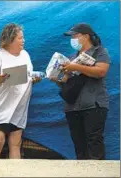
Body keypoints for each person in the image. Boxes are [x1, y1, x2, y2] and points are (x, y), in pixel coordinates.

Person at [51, 23, 110, 159]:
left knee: (94, 143)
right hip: (72, 108)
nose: (73, 39)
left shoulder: (100, 52)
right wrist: (56, 78)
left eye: (75, 36)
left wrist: (76, 67)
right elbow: (66, 82)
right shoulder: (71, 58)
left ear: (85, 36)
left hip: (94, 105)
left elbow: (101, 71)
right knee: (79, 147)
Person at [0, 23, 41, 159]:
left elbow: (28, 75)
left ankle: (15, 173)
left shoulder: (25, 55)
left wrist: (34, 78)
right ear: (10, 40)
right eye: (20, 38)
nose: (23, 41)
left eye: (23, 38)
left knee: (16, 142)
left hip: (18, 106)